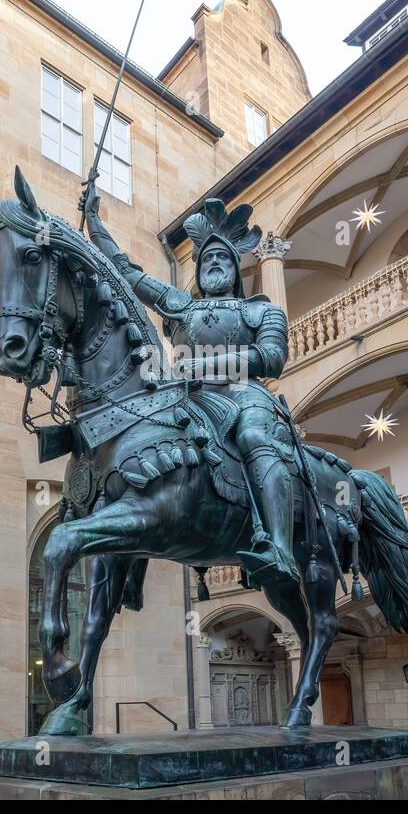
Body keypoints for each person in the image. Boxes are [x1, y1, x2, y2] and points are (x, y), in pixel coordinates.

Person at [81, 184, 299, 583]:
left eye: (223, 258)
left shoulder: (261, 310)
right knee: (141, 444)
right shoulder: (181, 304)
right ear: (198, 268)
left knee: (254, 438)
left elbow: (271, 359)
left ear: (235, 269)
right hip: (187, 398)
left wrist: (208, 364)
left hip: (244, 394)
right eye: (208, 258)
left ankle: (280, 546)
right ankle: (130, 561)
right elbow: (128, 274)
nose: (214, 263)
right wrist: (96, 226)